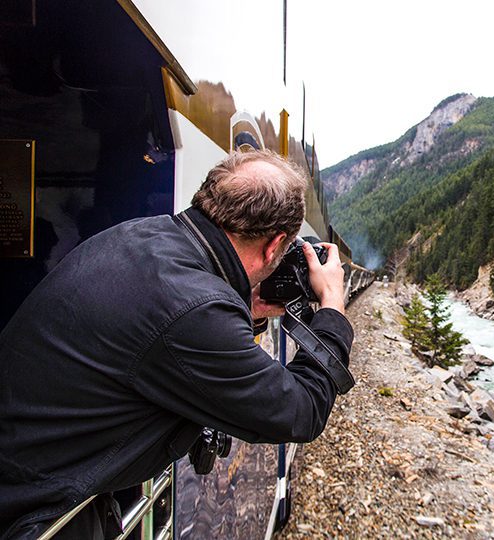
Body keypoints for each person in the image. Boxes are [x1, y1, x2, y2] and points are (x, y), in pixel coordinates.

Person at [0, 150, 353, 539]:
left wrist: (246, 307)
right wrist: (332, 307)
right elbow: (300, 411)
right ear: (274, 246)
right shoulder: (193, 308)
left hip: (31, 477)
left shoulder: (141, 235)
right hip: (37, 517)